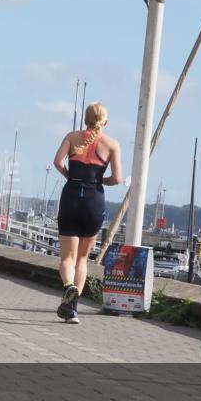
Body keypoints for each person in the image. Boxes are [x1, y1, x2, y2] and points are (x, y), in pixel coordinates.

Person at [52, 102, 122, 324]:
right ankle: (72, 311)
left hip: (71, 196)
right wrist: (100, 181)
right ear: (105, 122)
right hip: (94, 200)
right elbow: (117, 179)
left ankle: (68, 286)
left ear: (85, 119)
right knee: (82, 258)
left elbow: (57, 161)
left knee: (67, 257)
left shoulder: (72, 137)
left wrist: (69, 176)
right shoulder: (111, 144)